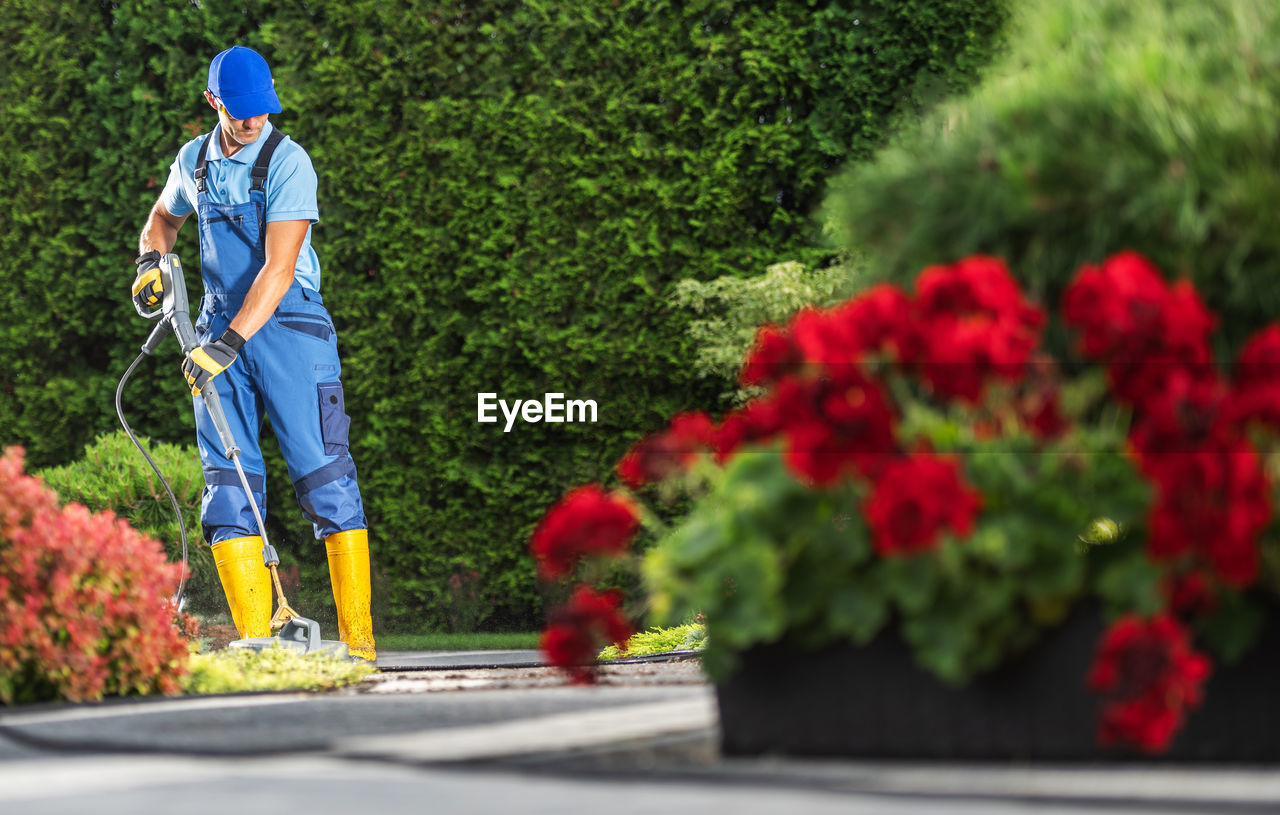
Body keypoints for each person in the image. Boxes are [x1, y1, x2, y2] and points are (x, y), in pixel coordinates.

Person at [132, 46, 375, 663]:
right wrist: (149, 263)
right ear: (213, 102)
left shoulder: (288, 162)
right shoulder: (195, 161)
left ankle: (359, 643)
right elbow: (162, 218)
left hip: (289, 326)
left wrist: (229, 345)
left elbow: (278, 268)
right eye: (239, 112)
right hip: (214, 328)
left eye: (260, 111)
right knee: (226, 482)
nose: (251, 122)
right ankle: (257, 639)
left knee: (325, 473)